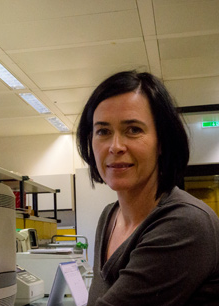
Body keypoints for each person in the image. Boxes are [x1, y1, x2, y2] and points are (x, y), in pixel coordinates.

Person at [76, 70, 219, 305]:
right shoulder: (109, 217)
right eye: (103, 131)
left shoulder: (186, 223)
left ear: (161, 142)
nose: (115, 146)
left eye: (133, 130)